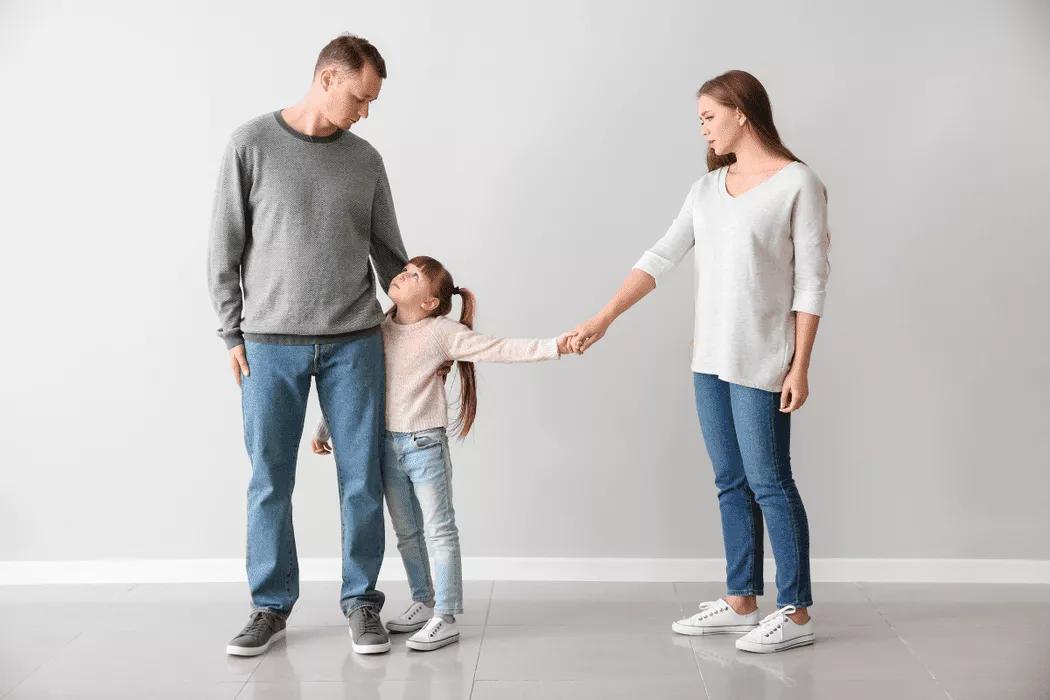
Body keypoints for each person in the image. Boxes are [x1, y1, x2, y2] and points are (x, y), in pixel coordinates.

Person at [570, 70, 831, 654]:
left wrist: (800, 365)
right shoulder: (706, 190)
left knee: (770, 481)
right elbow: (661, 256)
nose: (704, 130)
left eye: (709, 117)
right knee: (729, 481)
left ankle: (797, 610)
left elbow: (811, 284)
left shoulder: (798, 184)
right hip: (708, 358)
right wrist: (604, 317)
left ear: (741, 112)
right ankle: (742, 599)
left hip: (764, 359)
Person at [208, 34, 409, 656]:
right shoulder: (250, 144)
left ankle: (361, 601)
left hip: (355, 341)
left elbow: (389, 251)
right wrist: (230, 331)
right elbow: (224, 246)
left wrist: (420, 325)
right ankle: (269, 607)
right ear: (327, 78)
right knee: (269, 478)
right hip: (268, 344)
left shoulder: (365, 158)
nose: (364, 112)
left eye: (372, 102)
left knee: (361, 478)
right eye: (360, 97)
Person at [313, 256, 573, 651]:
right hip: (385, 445)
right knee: (407, 532)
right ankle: (424, 599)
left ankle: (446, 615)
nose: (401, 275)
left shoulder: (441, 332)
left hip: (424, 445)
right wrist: (325, 425)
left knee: (439, 530)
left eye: (414, 275)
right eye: (405, 269)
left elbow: (499, 348)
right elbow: (355, 384)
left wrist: (557, 345)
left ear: (431, 302)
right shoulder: (378, 330)